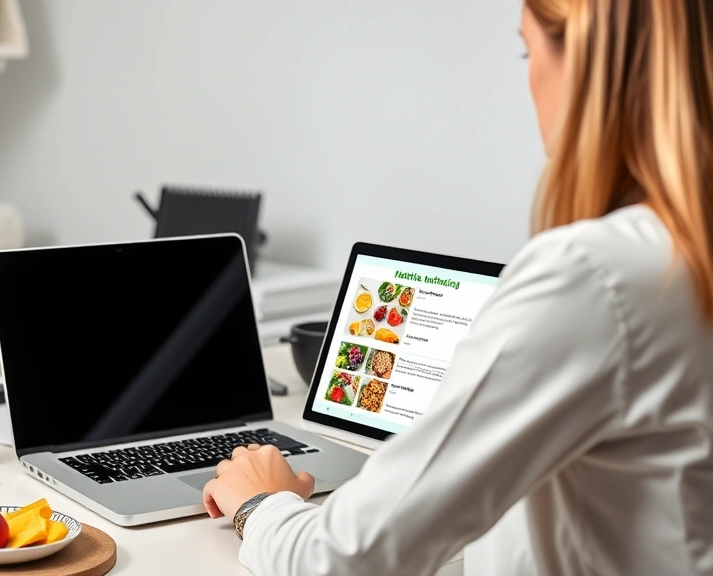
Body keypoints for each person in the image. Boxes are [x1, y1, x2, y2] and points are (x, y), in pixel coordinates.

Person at [202, 1, 713, 574]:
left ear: (589, 59)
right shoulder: (676, 256)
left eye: (527, 49)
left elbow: (344, 560)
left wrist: (260, 503)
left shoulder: (595, 275)